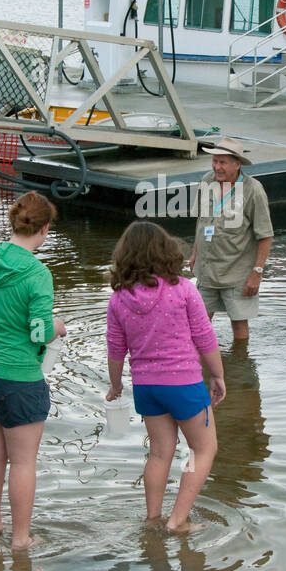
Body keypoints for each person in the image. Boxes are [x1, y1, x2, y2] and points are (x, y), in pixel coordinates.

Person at [105, 221, 225, 532]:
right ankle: (178, 520)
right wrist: (218, 375)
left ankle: (153, 518)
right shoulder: (183, 289)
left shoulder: (118, 298)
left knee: (159, 453)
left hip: (146, 387)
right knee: (203, 449)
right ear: (166, 251)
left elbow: (116, 348)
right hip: (183, 384)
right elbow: (205, 337)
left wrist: (116, 385)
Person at [0, 191, 64, 551]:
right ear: (45, 228)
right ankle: (21, 538)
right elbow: (39, 331)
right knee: (22, 461)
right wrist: (57, 326)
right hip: (18, 374)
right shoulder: (38, 273)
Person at [187, 137, 274, 343]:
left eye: (222, 162)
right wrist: (195, 252)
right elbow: (201, 218)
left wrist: (257, 273)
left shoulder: (253, 190)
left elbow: (266, 235)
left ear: (237, 165)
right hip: (207, 268)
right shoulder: (207, 180)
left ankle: (240, 365)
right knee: (198, 322)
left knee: (239, 323)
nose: (217, 167)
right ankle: (196, 367)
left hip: (237, 272)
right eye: (215, 161)